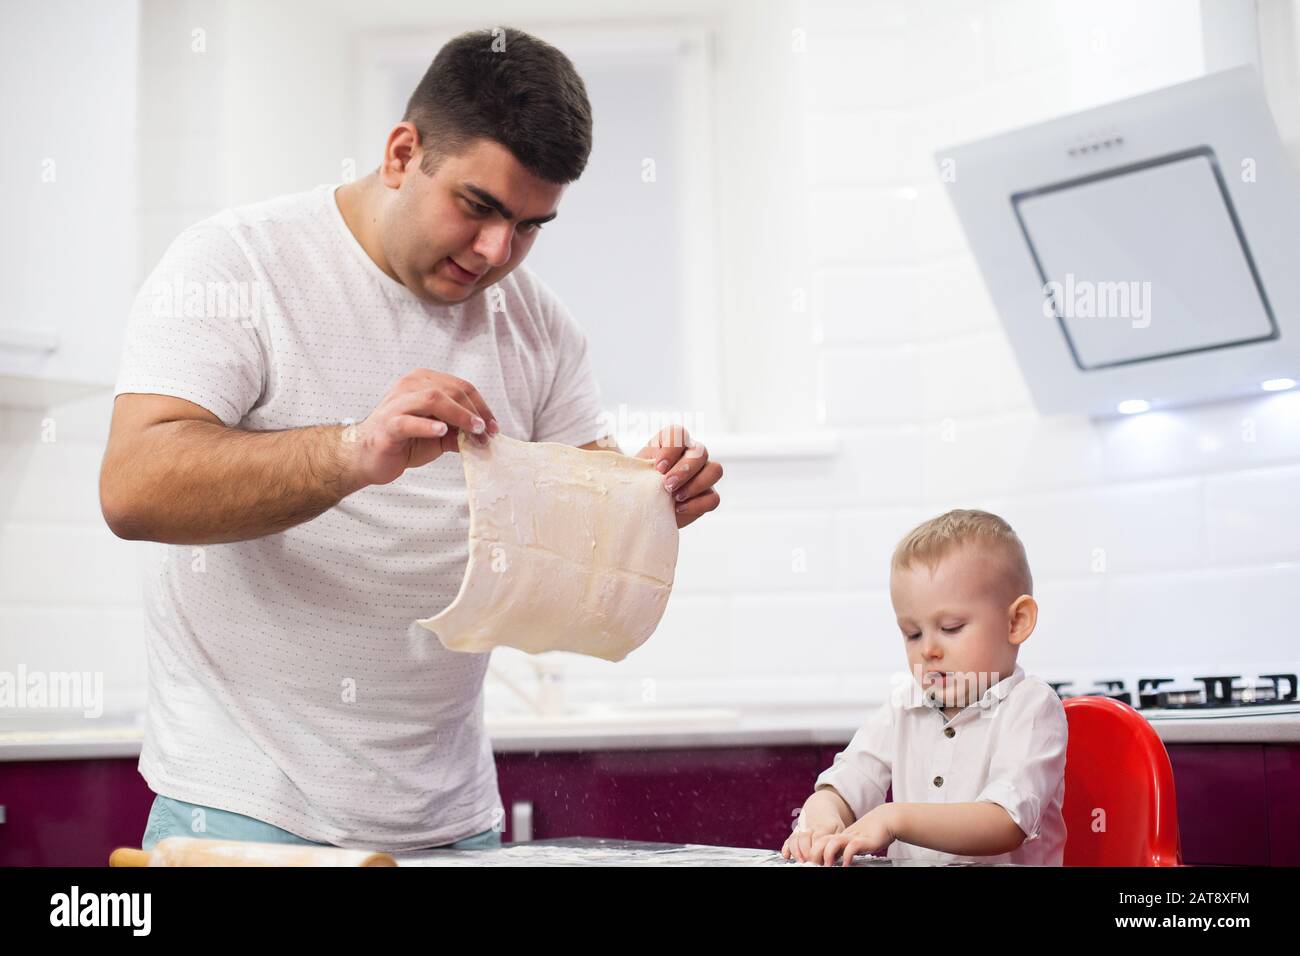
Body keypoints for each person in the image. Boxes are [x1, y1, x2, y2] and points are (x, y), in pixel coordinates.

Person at [100, 26, 722, 853]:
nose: (499, 252)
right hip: (246, 808)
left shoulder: (541, 330)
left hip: (454, 822)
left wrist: (646, 500)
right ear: (402, 153)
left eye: (532, 226)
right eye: (480, 207)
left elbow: (576, 520)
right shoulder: (235, 266)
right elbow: (134, 487)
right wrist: (353, 450)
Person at [782, 509, 1067, 866]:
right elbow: (847, 780)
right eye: (912, 634)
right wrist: (821, 819)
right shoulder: (904, 706)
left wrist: (894, 818)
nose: (928, 649)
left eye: (951, 627)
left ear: (1016, 621)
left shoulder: (1031, 707)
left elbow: (1005, 821)